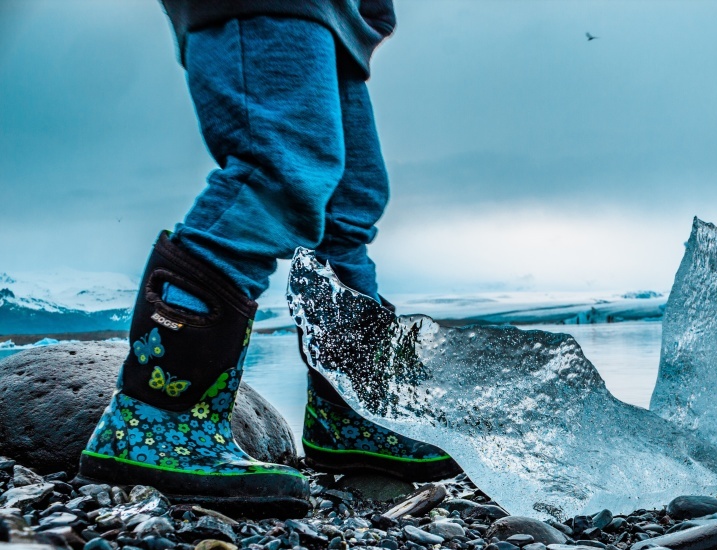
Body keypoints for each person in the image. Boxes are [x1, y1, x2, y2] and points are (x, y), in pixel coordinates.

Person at [75, 1, 460, 518]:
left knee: (349, 208)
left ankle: (349, 416)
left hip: (336, 18)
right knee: (277, 173)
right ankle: (155, 418)